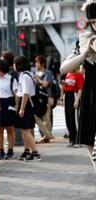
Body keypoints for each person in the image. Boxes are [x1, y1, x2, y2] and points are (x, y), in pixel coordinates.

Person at [60, 1, 96, 158]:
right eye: (94, 22)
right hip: (91, 95)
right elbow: (63, 68)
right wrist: (85, 54)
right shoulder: (86, 40)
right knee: (89, 140)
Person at [14, 56, 41, 161]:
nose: (14, 66)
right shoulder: (24, 74)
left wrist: (22, 109)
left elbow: (25, 93)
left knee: (26, 130)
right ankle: (26, 151)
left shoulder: (25, 76)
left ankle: (35, 153)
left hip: (26, 104)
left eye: (15, 64)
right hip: (25, 103)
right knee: (24, 129)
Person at [0, 59, 17, 160]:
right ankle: (1, 150)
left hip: (9, 103)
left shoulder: (11, 79)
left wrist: (17, 106)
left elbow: (16, 94)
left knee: (10, 128)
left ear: (1, 67)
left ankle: (10, 150)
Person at [33, 55, 55, 143]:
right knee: (38, 116)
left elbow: (45, 84)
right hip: (38, 97)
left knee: (46, 117)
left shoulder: (48, 72)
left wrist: (37, 79)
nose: (36, 64)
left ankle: (47, 136)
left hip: (47, 96)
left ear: (43, 63)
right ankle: (47, 134)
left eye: (37, 62)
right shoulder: (35, 72)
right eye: (36, 62)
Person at [61, 68, 84, 147]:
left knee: (74, 119)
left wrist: (77, 100)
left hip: (74, 95)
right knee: (68, 118)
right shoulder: (68, 74)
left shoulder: (79, 75)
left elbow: (80, 88)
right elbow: (65, 87)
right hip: (67, 96)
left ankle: (78, 140)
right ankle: (72, 139)